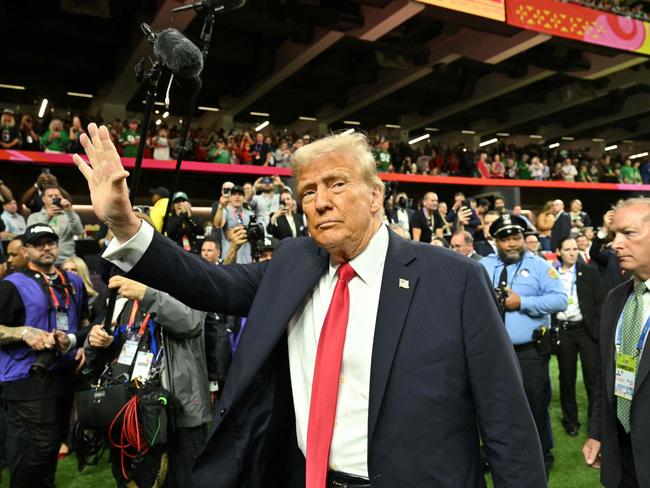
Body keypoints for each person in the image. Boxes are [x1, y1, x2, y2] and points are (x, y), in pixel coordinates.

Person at [74, 123, 546, 488]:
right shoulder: (294, 262)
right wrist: (124, 223)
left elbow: (506, 418)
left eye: (336, 184)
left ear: (376, 195)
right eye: (307, 193)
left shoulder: (454, 278)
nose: (320, 202)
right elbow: (208, 284)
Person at [85, 275, 210, 488]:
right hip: (131, 411)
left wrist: (146, 294)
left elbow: (190, 322)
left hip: (178, 411)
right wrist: (96, 340)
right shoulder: (122, 299)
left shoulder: (186, 283)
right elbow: (102, 355)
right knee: (133, 479)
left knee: (182, 479)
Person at [0, 224, 88, 487]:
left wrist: (78, 343)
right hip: (25, 379)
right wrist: (23, 333)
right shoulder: (11, 285)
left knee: (49, 449)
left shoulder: (72, 281)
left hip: (62, 376)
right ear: (26, 251)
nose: (47, 247)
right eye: (39, 243)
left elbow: (83, 319)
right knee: (33, 452)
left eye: (51, 242)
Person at [480, 214, 568, 473]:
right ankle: (500, 457)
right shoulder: (482, 266)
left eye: (516, 238)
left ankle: (541, 457)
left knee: (534, 407)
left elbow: (560, 300)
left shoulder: (540, 266)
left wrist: (524, 303)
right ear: (495, 241)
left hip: (529, 353)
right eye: (505, 239)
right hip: (492, 354)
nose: (511, 244)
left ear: (524, 238)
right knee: (494, 407)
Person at [583, 198, 650, 487]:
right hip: (621, 453)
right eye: (613, 235)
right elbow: (604, 375)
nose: (615, 244)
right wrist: (597, 432)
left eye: (628, 233)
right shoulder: (615, 299)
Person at [553, 238, 603, 438]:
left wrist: (598, 330)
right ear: (559, 252)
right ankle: (570, 421)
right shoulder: (553, 274)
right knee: (567, 377)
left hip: (586, 330)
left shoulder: (590, 272)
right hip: (564, 330)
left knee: (592, 378)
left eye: (575, 249)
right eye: (567, 249)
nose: (572, 252)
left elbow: (601, 301)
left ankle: (596, 423)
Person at [26, 185, 83, 264]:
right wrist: (47, 217)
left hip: (67, 261)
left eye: (57, 195)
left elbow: (79, 232)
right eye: (50, 196)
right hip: (42, 260)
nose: (54, 197)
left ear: (62, 197)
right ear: (43, 199)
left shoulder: (69, 214)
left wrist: (70, 212)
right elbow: (31, 237)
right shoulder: (34, 216)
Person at [213, 185, 254, 264]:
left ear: (244, 198)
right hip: (229, 254)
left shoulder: (249, 214)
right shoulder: (225, 210)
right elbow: (217, 224)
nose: (237, 197)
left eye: (240, 195)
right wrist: (221, 207)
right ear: (230, 197)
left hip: (246, 256)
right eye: (234, 194)